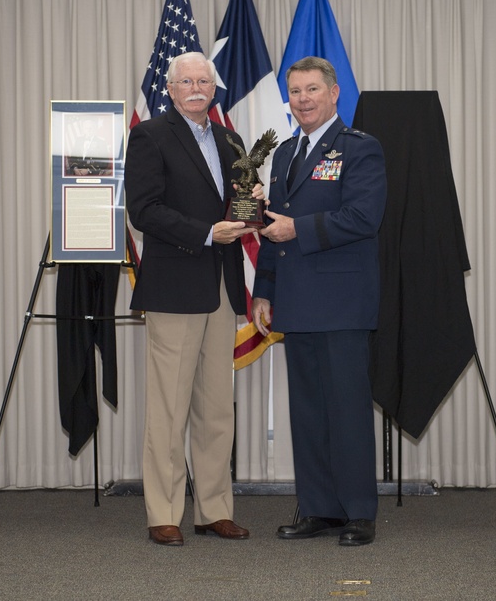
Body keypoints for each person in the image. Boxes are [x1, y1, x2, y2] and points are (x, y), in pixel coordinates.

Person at [252, 56, 387, 546]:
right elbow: (271, 228)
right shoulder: (285, 154)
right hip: (296, 300)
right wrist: (263, 290)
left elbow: (363, 217)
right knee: (307, 412)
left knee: (347, 411)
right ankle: (318, 509)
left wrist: (298, 228)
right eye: (296, 92)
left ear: (333, 94)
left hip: (342, 301)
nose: (303, 99)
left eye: (312, 90)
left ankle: (357, 513)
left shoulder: (360, 149)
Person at [125, 52, 257, 546]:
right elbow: (143, 211)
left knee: (216, 408)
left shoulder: (231, 139)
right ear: (171, 87)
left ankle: (214, 509)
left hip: (221, 288)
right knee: (168, 408)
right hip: (175, 287)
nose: (197, 87)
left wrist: (254, 206)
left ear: (214, 87)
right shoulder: (150, 135)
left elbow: (241, 203)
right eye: (187, 81)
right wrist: (206, 233)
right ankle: (164, 512)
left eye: (204, 80)